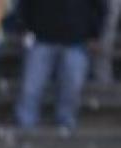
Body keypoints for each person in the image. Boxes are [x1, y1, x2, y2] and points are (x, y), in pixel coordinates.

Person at [15, 0, 106, 130]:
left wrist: (95, 35)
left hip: (76, 41)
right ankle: (25, 126)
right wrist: (23, 27)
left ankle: (65, 125)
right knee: (31, 88)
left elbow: (99, 6)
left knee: (71, 89)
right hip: (41, 38)